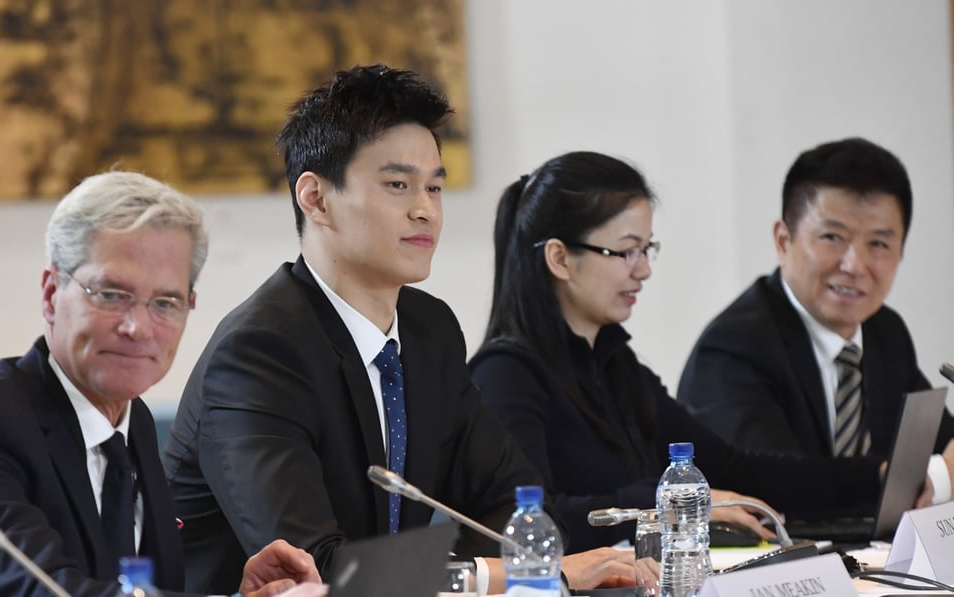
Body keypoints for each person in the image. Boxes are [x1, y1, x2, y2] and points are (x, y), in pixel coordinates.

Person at [162, 65, 635, 594]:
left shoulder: (428, 330)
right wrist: (495, 575)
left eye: (435, 187)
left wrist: (461, 575)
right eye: (397, 185)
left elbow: (522, 509)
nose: (425, 210)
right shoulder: (259, 353)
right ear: (315, 198)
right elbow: (315, 574)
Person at [468, 151, 896, 553]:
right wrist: (666, 504)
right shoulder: (506, 375)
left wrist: (874, 476)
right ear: (560, 259)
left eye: (647, 249)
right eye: (626, 251)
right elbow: (527, 520)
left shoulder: (616, 366)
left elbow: (733, 468)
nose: (644, 269)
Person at [0, 172, 324, 596]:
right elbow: (42, 591)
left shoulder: (132, 423)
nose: (137, 327)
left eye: (165, 303)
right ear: (50, 293)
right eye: (111, 295)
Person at [676, 137, 954, 502]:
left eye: (878, 244)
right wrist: (927, 478)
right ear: (783, 241)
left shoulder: (885, 332)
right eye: (832, 237)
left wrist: (938, 470)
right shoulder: (733, 349)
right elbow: (776, 489)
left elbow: (943, 446)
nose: (854, 265)